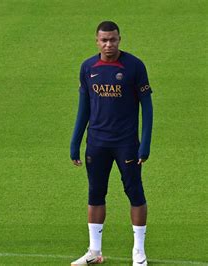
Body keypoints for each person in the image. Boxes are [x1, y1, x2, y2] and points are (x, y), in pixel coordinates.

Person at [70, 21, 153, 266]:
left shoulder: (134, 66)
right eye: (104, 40)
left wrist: (145, 144)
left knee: (134, 192)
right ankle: (94, 252)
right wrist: (75, 142)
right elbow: (83, 108)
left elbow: (147, 108)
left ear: (120, 39)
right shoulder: (88, 68)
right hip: (96, 142)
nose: (109, 44)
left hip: (126, 143)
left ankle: (138, 251)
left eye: (113, 39)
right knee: (95, 193)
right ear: (96, 41)